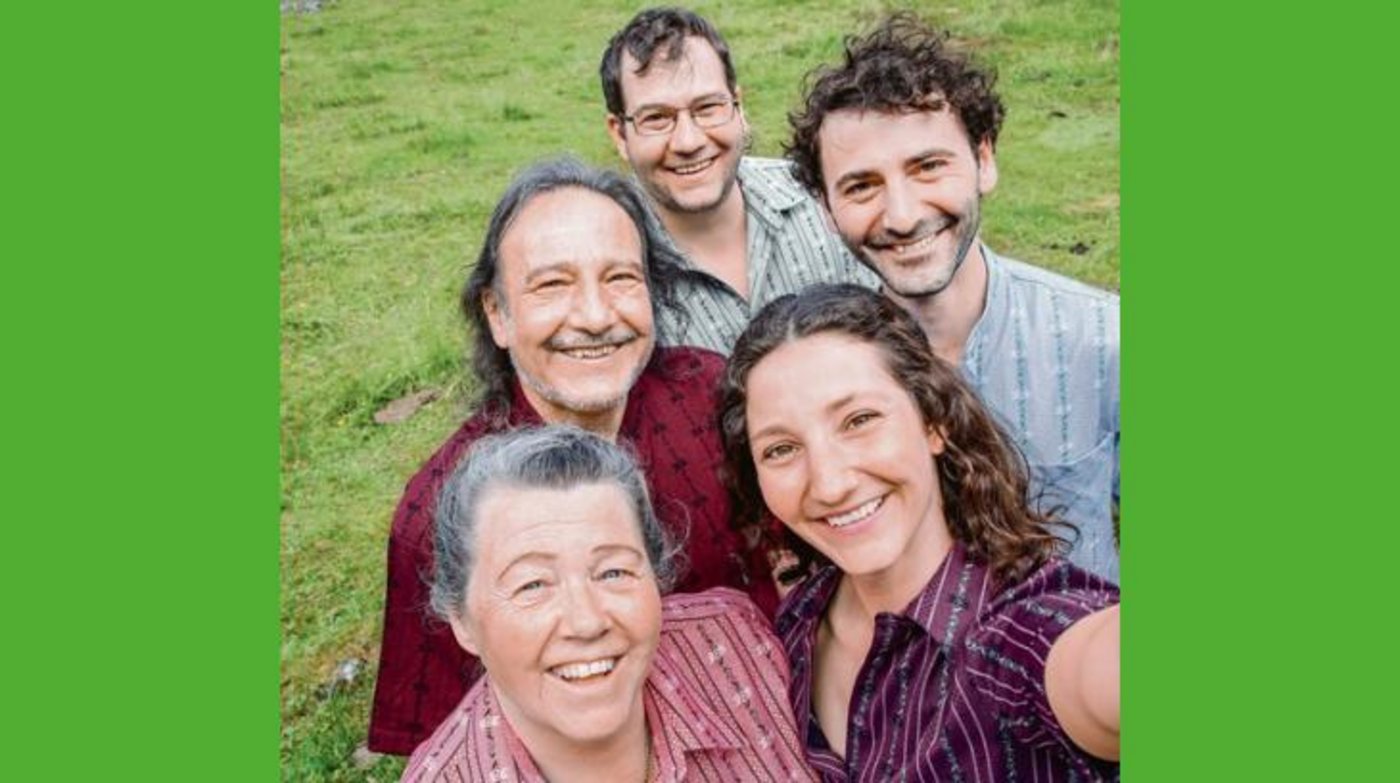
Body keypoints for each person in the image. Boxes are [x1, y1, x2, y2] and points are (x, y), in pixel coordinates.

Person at [368, 158, 778, 756]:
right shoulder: (437, 514)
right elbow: (441, 741)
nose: (594, 316)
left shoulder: (713, 396)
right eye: (552, 285)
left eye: (620, 279)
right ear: (497, 314)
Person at [718, 284, 1119, 781]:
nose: (830, 483)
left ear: (934, 422)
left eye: (859, 420)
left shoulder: (1021, 626)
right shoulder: (796, 623)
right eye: (780, 449)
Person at [785, 14, 1120, 582]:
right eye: (862, 186)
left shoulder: (1105, 338)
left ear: (983, 160)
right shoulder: (817, 372)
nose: (903, 214)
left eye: (928, 167)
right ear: (825, 205)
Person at [400, 426, 816, 782]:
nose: (586, 622)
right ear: (462, 620)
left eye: (613, 572)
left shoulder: (731, 638)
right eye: (532, 585)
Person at [600, 6, 877, 354]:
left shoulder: (818, 195)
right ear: (619, 134)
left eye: (707, 108)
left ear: (738, 106)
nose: (688, 141)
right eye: (656, 118)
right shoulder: (605, 260)